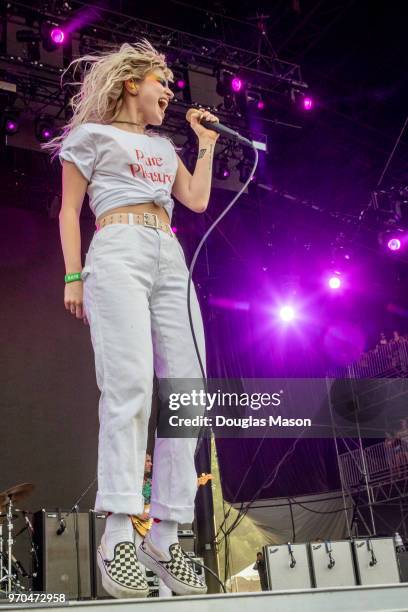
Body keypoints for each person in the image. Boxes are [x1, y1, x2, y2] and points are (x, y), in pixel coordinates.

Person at [47, 39, 219, 599]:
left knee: (186, 392)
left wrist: (207, 144)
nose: (169, 93)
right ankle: (119, 531)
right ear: (131, 83)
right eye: (161, 83)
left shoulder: (167, 147)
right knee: (129, 385)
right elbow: (69, 210)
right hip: (116, 245)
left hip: (168, 253)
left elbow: (194, 200)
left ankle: (166, 536)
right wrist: (73, 275)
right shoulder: (90, 137)